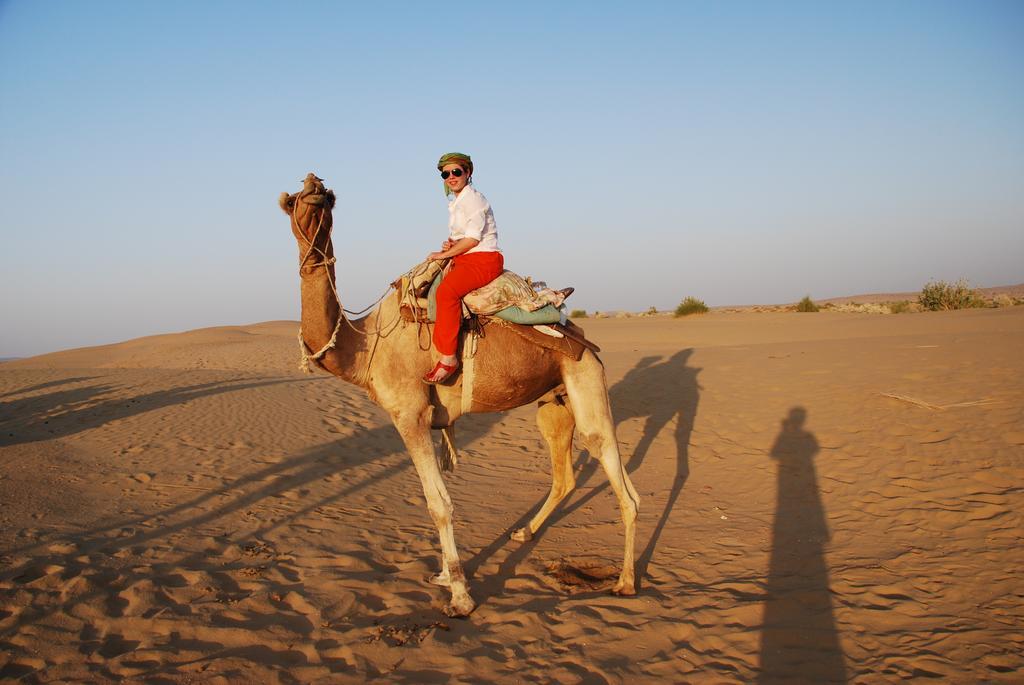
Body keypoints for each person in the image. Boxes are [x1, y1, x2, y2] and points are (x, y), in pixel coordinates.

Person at [423, 152, 503, 384]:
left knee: (446, 293)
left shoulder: (473, 200)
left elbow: (475, 240)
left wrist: (444, 254)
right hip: (466, 258)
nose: (451, 177)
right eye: (445, 173)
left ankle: (448, 358)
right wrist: (452, 244)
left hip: (483, 259)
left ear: (468, 173)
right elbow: (464, 237)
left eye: (456, 171)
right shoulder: (457, 202)